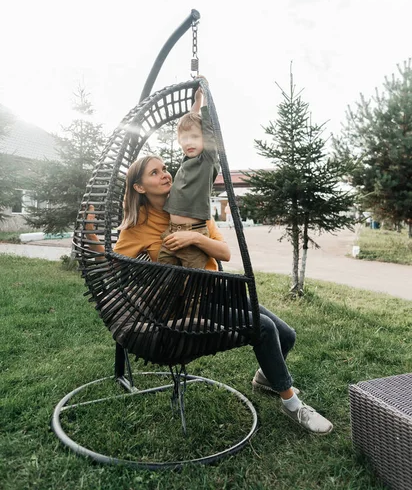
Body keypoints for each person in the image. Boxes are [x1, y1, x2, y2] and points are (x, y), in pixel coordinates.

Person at [86, 154, 333, 435]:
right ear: (140, 187)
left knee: (287, 335)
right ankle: (293, 405)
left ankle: (266, 378)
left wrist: (194, 237)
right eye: (155, 173)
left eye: (165, 169)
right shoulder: (138, 227)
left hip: (217, 290)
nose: (165, 174)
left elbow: (224, 252)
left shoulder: (192, 209)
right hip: (188, 303)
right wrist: (91, 236)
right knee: (262, 328)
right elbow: (114, 264)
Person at [157, 84, 219, 269]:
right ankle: (166, 297)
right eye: (184, 139)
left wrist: (206, 96)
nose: (188, 142)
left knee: (194, 279)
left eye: (194, 137)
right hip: (172, 232)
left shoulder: (207, 160)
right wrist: (196, 103)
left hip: (193, 233)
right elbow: (190, 124)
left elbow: (207, 127)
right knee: (164, 271)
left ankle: (195, 299)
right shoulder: (187, 159)